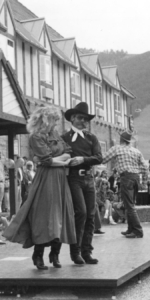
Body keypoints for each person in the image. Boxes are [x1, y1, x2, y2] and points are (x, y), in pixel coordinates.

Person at [4, 106, 76, 270]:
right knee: (45, 217)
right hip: (46, 179)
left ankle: (55, 253)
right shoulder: (35, 137)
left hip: (59, 179)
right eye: (54, 120)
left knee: (61, 215)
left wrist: (57, 160)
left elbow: (67, 153)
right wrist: (60, 161)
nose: (56, 124)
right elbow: (48, 160)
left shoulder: (54, 135)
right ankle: (38, 255)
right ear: (46, 120)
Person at [62, 102, 102, 265]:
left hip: (89, 179)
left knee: (91, 215)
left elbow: (99, 157)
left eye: (86, 119)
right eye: (80, 118)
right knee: (81, 213)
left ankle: (87, 252)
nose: (83, 121)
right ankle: (75, 251)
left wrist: (83, 159)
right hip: (73, 179)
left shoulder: (91, 138)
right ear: (72, 118)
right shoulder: (64, 138)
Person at [102, 130, 149, 238]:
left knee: (129, 206)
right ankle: (130, 229)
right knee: (130, 204)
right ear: (128, 141)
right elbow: (145, 167)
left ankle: (138, 231)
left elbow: (104, 159)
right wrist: (140, 176)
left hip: (126, 177)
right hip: (136, 178)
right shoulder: (136, 151)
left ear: (121, 139)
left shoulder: (117, 148)